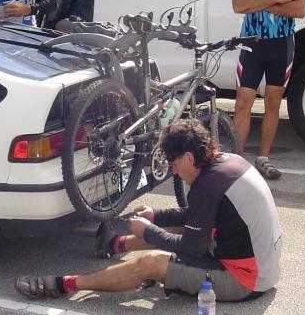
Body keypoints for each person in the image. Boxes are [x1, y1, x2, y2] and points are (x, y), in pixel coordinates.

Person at [14, 118, 282, 302]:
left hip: (245, 281)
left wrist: (151, 232)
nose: (174, 170)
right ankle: (115, 245)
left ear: (189, 157)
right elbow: (196, 217)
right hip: (261, 267)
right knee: (176, 230)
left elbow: (193, 247)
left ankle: (66, 284)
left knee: (149, 263)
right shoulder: (227, 163)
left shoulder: (207, 186)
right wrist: (157, 215)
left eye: (174, 163)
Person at [232, 0, 305, 180]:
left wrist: (257, 1)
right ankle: (236, 162)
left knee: (273, 103)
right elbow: (238, 5)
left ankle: (263, 158)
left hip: (282, 44)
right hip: (252, 44)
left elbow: (299, 9)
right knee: (243, 103)